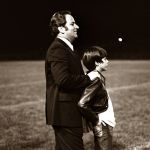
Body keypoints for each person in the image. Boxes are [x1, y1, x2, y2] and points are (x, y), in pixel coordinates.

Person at [45, 10, 100, 150]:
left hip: (67, 113)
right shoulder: (58, 48)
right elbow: (63, 80)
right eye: (73, 23)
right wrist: (88, 78)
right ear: (61, 29)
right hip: (65, 114)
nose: (77, 27)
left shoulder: (66, 47)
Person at [78, 46, 116, 150]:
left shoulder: (92, 75)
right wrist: (96, 120)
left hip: (103, 120)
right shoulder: (95, 78)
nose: (107, 61)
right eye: (105, 59)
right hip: (103, 121)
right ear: (97, 62)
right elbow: (82, 103)